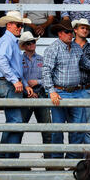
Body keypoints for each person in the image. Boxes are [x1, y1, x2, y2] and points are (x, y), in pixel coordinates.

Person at [42, 19, 90, 159]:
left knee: (78, 128)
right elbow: (46, 71)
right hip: (59, 92)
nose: (70, 34)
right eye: (67, 32)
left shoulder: (76, 48)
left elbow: (84, 62)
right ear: (60, 34)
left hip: (76, 92)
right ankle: (57, 161)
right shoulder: (52, 49)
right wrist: (51, 91)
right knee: (58, 129)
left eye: (71, 32)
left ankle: (72, 159)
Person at [0, 11, 34, 159]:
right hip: (8, 83)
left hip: (10, 83)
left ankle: (9, 159)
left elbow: (13, 67)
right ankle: (5, 159)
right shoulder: (7, 41)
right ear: (9, 25)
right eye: (18, 25)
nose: (20, 28)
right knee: (15, 121)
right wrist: (15, 80)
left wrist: (23, 83)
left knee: (14, 121)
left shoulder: (10, 40)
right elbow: (2, 61)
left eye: (21, 25)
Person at [19, 31, 52, 159]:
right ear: (24, 45)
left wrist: (36, 82)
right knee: (19, 129)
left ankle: (50, 162)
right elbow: (17, 77)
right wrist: (27, 87)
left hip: (40, 94)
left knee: (47, 130)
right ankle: (14, 162)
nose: (32, 44)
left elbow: (48, 78)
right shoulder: (19, 60)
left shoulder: (42, 59)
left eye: (33, 42)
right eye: (29, 43)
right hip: (25, 95)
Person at [72, 18, 90, 145]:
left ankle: (88, 158)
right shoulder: (69, 46)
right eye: (82, 28)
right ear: (75, 30)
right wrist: (88, 65)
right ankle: (75, 156)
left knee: (89, 125)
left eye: (87, 28)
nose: (85, 30)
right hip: (73, 89)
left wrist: (79, 63)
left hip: (87, 88)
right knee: (74, 126)